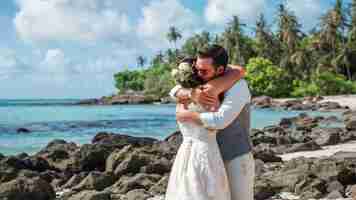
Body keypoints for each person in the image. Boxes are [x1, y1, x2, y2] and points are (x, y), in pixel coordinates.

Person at [168, 45, 255, 200]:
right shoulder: (197, 84)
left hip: (235, 157)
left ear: (220, 70)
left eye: (204, 71)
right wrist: (191, 94)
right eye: (197, 69)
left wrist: (187, 115)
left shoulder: (238, 87)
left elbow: (220, 121)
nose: (198, 74)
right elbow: (174, 91)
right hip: (209, 157)